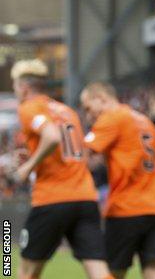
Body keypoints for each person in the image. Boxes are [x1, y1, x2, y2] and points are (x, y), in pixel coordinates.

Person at [11, 59, 111, 279]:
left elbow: (52, 136)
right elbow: (77, 153)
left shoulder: (28, 107)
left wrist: (28, 166)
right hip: (85, 198)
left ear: (24, 87)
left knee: (26, 271)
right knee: (98, 271)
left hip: (52, 198)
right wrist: (35, 155)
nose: (14, 90)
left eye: (15, 85)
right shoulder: (67, 111)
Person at [80, 82, 155, 279]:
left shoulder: (112, 117)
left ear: (101, 98)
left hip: (126, 208)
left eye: (88, 107)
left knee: (110, 272)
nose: (89, 116)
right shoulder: (144, 121)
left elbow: (81, 154)